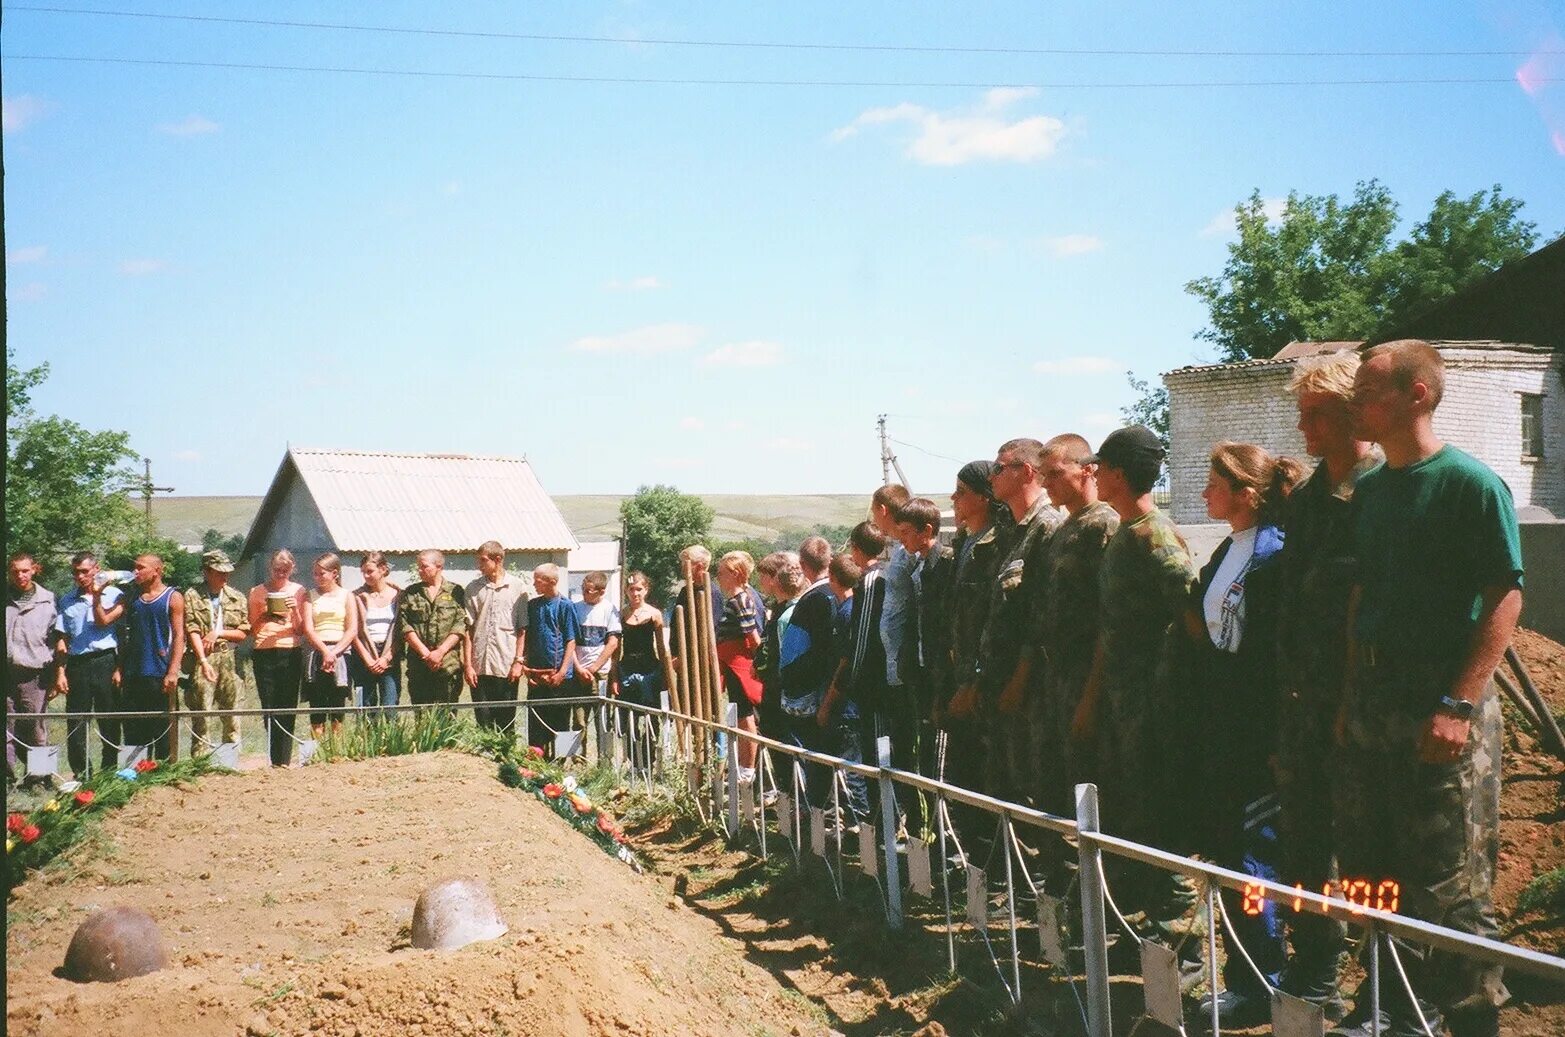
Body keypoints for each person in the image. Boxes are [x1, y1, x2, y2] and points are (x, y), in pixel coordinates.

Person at [1332, 341, 1520, 1037]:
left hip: (1439, 703)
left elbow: (1503, 596)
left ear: (1416, 394)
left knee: (1450, 880)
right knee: (1366, 865)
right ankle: (1389, 1002)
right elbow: (1362, 597)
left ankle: (1471, 1017)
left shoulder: (1470, 484)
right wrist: (1350, 697)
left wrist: (1457, 704)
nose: (1355, 402)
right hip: (1375, 701)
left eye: (1367, 390)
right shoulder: (1372, 489)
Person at [1273, 350, 1379, 1020]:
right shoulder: (1308, 501)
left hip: (1364, 706)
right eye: (1301, 414)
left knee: (1372, 850)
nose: (1305, 429)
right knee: (1304, 840)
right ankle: (1315, 967)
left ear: (1351, 413)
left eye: (1317, 415)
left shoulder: (1384, 492)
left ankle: (1385, 986)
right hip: (1302, 703)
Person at [1073, 426, 1197, 957]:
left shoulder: (1156, 535)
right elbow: (1112, 629)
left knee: (1163, 817)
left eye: (1101, 467)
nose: (1093, 475)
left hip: (1156, 704)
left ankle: (1182, 944)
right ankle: (1148, 929)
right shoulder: (1126, 534)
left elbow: (1192, 619)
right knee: (1135, 815)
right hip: (1126, 704)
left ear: (1119, 473)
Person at [1185, 442, 1297, 1029]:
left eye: (1214, 484)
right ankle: (1246, 977)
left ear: (1247, 493)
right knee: (1229, 852)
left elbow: (1273, 657)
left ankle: (1267, 983)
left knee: (1257, 856)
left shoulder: (1274, 555)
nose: (1204, 493)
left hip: (1255, 731)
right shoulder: (1230, 548)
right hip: (1220, 724)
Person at [1030, 435, 1119, 817]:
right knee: (1057, 789)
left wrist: (1091, 693)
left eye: (1055, 473)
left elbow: (1108, 619)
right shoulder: (1063, 529)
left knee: (1093, 789)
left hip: (1089, 678)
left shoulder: (1104, 525)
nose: (1046, 482)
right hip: (1058, 677)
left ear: (1087, 470)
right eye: (1043, 474)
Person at [979, 438, 1064, 808]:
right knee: (1009, 790)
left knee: (1039, 793)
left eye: (1000, 468)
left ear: (1026, 472)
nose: (992, 476)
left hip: (1033, 688)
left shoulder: (1047, 527)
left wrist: (1020, 677)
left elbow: (1044, 615)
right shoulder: (1012, 530)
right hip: (1004, 682)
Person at [823, 522, 891, 826]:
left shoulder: (871, 580)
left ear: (856, 548)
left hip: (873, 685)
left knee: (877, 755)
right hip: (886, 678)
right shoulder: (889, 572)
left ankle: (880, 822)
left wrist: (851, 680)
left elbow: (861, 639)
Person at [893, 497, 953, 782]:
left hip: (941, 672)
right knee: (925, 749)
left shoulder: (945, 565)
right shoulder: (918, 567)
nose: (901, 539)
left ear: (926, 531)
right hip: (921, 667)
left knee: (939, 753)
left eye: (906, 532)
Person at [775, 551, 838, 808]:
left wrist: (789, 684)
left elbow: (793, 655)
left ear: (804, 566)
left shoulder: (811, 600)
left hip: (814, 692)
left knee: (813, 755)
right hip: (840, 685)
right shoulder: (843, 593)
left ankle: (814, 811)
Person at [53, 552, 123, 778]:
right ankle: (82, 774)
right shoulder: (66, 600)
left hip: (105, 660)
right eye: (76, 572)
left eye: (84, 571)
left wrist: (118, 667)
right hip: (77, 664)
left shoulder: (114, 595)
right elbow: (62, 639)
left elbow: (122, 635)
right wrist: (60, 672)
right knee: (76, 720)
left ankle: (109, 770)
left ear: (96, 569)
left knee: (109, 719)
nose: (80, 576)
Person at [182, 548, 250, 752]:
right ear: (207, 571)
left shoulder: (236, 597)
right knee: (202, 713)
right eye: (219, 572)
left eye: (226, 572)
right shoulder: (193, 595)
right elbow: (191, 628)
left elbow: (243, 632)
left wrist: (218, 633)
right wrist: (202, 661)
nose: (224, 576)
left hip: (230, 656)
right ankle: (201, 762)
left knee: (232, 713)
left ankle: (230, 759)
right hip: (204, 657)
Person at [120, 554, 185, 760]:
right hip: (134, 672)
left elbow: (178, 635)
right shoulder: (132, 598)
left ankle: (164, 771)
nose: (135, 572)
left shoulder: (172, 597)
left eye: (141, 568)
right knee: (134, 727)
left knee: (162, 727)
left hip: (159, 672)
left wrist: (173, 670)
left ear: (157, 570)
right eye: (134, 568)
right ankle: (136, 772)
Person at [249, 549, 307, 767]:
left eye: (285, 570)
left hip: (290, 650)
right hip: (264, 651)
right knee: (269, 704)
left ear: (292, 569)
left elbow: (301, 630)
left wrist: (295, 611)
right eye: (276, 570)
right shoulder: (256, 592)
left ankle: (284, 759)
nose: (280, 573)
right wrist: (264, 613)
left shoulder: (299, 591)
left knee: (288, 704)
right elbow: (252, 629)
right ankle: (273, 758)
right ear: (269, 568)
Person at [463, 542, 528, 732]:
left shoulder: (517, 587)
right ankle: (484, 761)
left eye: (483, 561)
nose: (479, 565)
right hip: (480, 665)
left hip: (505, 664)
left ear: (497, 559)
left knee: (506, 721)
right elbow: (468, 629)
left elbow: (522, 628)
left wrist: (518, 661)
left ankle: (505, 760)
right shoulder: (474, 588)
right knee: (483, 721)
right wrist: (468, 664)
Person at [7, 553, 58, 785]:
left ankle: (41, 778)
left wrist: (57, 673)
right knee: (7, 729)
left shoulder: (48, 600)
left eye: (25, 570)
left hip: (35, 674)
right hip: (6, 673)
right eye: (15, 571)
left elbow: (57, 641)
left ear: (34, 570)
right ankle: (8, 778)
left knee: (36, 728)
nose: (20, 576)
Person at [715, 552, 765, 782]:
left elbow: (753, 638)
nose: (718, 579)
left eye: (721, 574)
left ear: (735, 575)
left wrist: (760, 665)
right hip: (732, 665)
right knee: (741, 715)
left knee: (746, 718)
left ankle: (748, 768)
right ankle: (744, 766)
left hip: (741, 666)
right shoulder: (735, 600)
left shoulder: (741, 601)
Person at [521, 563, 580, 754]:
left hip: (559, 677)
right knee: (536, 723)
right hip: (537, 676)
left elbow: (571, 641)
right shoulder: (533, 605)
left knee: (560, 722)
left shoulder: (565, 606)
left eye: (537, 581)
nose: (534, 584)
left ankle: (563, 764)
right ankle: (537, 766)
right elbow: (528, 638)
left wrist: (562, 672)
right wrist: (527, 670)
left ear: (551, 582)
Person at [399, 550, 468, 707]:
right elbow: (405, 625)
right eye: (418, 567)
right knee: (422, 717)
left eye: (424, 567)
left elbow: (460, 625)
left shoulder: (455, 592)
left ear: (439, 566)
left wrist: (440, 652)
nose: (419, 571)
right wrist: (426, 653)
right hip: (419, 664)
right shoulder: (411, 593)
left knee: (447, 716)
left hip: (447, 664)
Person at [301, 553, 358, 740]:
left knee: (337, 701)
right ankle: (316, 749)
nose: (317, 578)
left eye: (322, 574)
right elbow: (308, 628)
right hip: (317, 652)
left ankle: (336, 748)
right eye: (315, 574)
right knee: (317, 703)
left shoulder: (347, 596)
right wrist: (325, 651)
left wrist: (334, 652)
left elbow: (352, 629)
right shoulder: (310, 596)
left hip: (340, 653)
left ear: (335, 573)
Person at [869, 484, 915, 710]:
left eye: (874, 512)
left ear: (883, 510)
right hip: (894, 662)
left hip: (907, 662)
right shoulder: (899, 548)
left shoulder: (909, 550)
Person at [352, 552, 401, 719]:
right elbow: (354, 632)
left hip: (389, 654)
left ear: (383, 569)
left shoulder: (398, 595)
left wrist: (386, 658)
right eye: (363, 572)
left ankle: (390, 744)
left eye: (370, 571)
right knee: (364, 707)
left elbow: (401, 632)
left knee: (390, 705)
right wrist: (368, 659)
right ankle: (365, 743)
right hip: (364, 655)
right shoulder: (357, 596)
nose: (366, 576)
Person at [616, 572, 666, 710]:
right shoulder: (621, 614)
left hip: (649, 667)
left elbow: (661, 647)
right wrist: (615, 675)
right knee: (628, 710)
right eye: (631, 589)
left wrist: (665, 673)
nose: (635, 593)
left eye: (639, 589)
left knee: (651, 708)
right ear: (626, 590)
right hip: (627, 667)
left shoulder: (654, 614)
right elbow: (617, 648)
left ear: (646, 590)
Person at [573, 571, 622, 697]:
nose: (584, 592)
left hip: (601, 671)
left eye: (588, 590)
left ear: (601, 591)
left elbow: (613, 643)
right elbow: (569, 641)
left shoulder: (610, 610)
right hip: (579, 671)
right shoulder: (575, 608)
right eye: (583, 588)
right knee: (579, 715)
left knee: (601, 713)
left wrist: (594, 668)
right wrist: (578, 668)